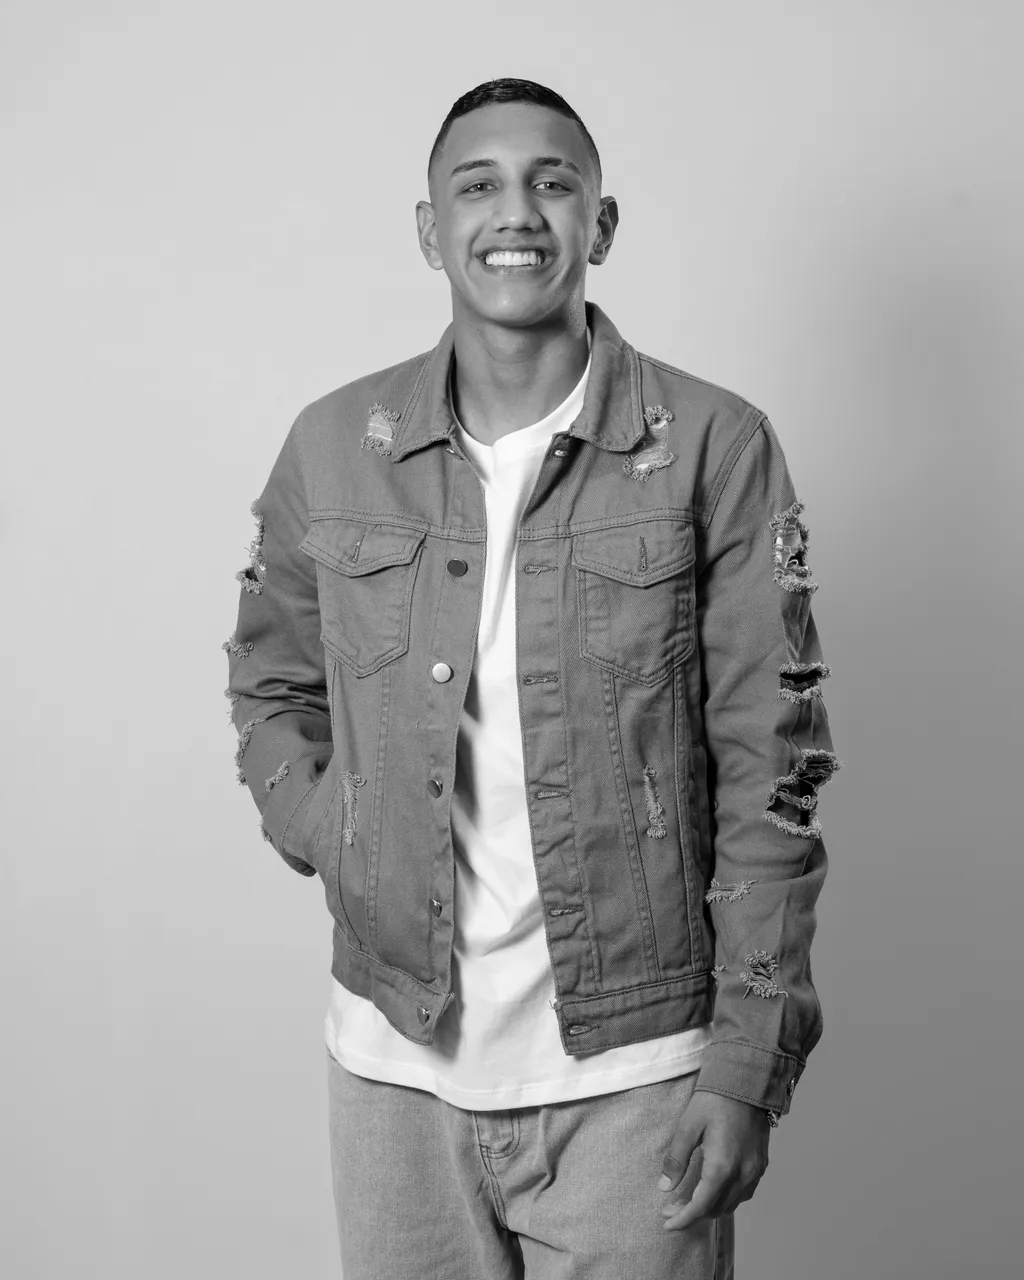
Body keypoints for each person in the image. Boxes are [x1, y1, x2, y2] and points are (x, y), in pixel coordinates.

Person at [225, 77, 838, 1280]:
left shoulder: (714, 445)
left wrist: (745, 1060)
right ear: (429, 230)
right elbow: (270, 680)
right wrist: (337, 832)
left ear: (599, 224)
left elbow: (774, 768)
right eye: (479, 185)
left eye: (551, 183)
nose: (516, 212)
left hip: (636, 1074)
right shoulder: (333, 446)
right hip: (393, 1070)